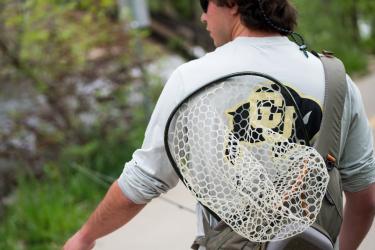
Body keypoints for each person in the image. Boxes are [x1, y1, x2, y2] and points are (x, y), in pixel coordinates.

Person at [63, 0, 375, 249]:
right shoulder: (336, 80)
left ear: (232, 4)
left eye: (205, 4)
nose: (202, 17)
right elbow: (366, 197)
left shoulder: (192, 79)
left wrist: (85, 236)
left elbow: (141, 184)